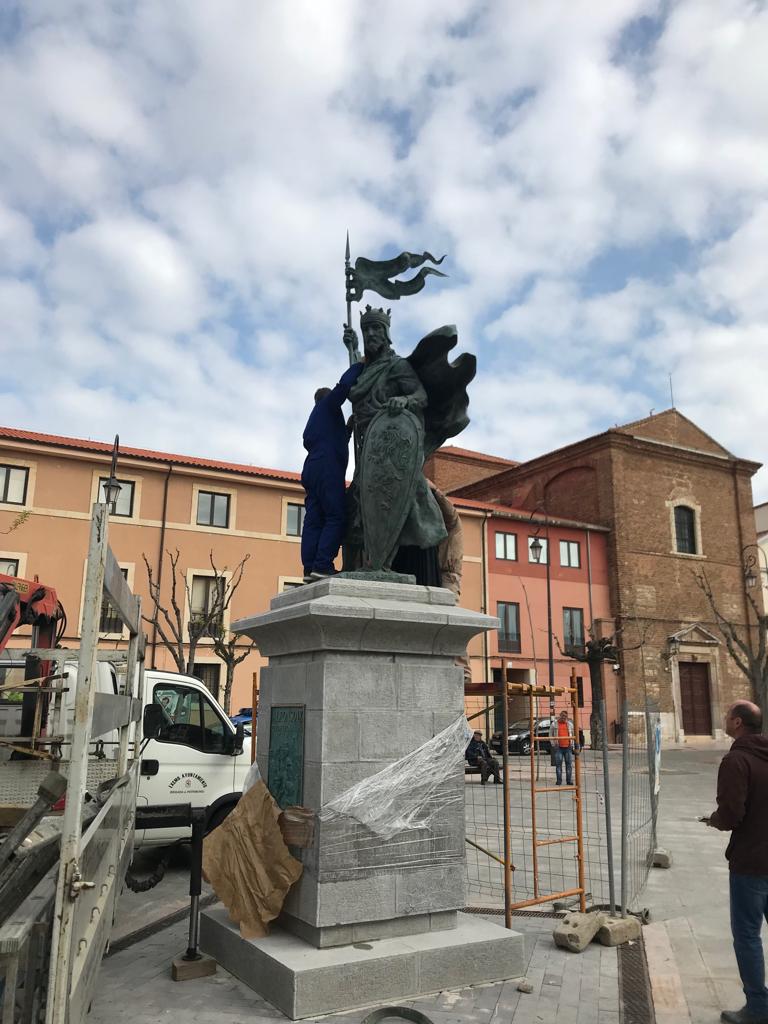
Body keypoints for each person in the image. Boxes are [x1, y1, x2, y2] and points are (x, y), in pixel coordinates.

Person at [342, 307, 475, 584]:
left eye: (377, 329)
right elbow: (360, 382)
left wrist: (404, 401)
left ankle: (389, 564)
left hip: (390, 451)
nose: (371, 334)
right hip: (367, 451)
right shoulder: (365, 369)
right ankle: (363, 565)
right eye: (367, 330)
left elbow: (420, 396)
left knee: (401, 505)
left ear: (387, 333)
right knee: (357, 512)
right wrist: (352, 348)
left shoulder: (397, 366)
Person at [702, 701, 768, 1024]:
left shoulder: (735, 760)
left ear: (738, 723)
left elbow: (731, 815)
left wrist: (714, 820)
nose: (724, 718)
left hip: (751, 864)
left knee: (747, 935)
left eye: (727, 714)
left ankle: (758, 1006)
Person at [300, 361, 364, 581]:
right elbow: (344, 386)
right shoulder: (328, 405)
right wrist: (359, 366)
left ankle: (310, 569)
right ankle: (323, 564)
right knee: (336, 515)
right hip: (328, 468)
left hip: (312, 468)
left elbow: (333, 441)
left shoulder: (317, 419)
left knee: (315, 518)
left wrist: (347, 429)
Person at [550, 709, 576, 786]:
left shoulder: (570, 724)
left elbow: (573, 734)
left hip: (568, 747)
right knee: (558, 764)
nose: (564, 717)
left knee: (569, 765)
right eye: (563, 716)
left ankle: (569, 780)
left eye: (565, 716)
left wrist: (572, 744)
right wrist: (553, 744)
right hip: (558, 748)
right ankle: (559, 780)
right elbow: (550, 734)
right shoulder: (554, 724)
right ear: (560, 715)